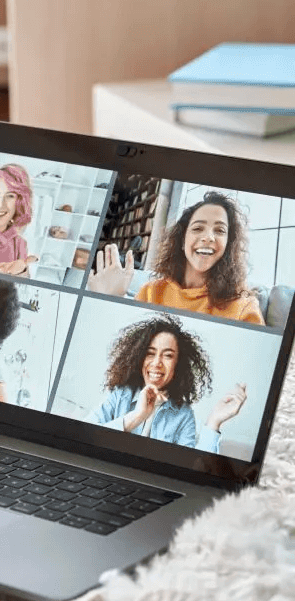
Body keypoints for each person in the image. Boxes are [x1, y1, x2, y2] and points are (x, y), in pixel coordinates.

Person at [88, 191, 265, 325]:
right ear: (181, 240)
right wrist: (111, 300)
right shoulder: (151, 292)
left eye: (220, 230)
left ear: (228, 245)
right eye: (198, 228)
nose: (208, 237)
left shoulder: (244, 308)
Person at [87, 313, 247, 453]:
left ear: (178, 364)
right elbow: (85, 435)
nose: (157, 362)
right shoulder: (120, 395)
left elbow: (194, 469)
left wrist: (214, 422)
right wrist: (136, 417)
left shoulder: (183, 415)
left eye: (168, 355)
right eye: (150, 353)